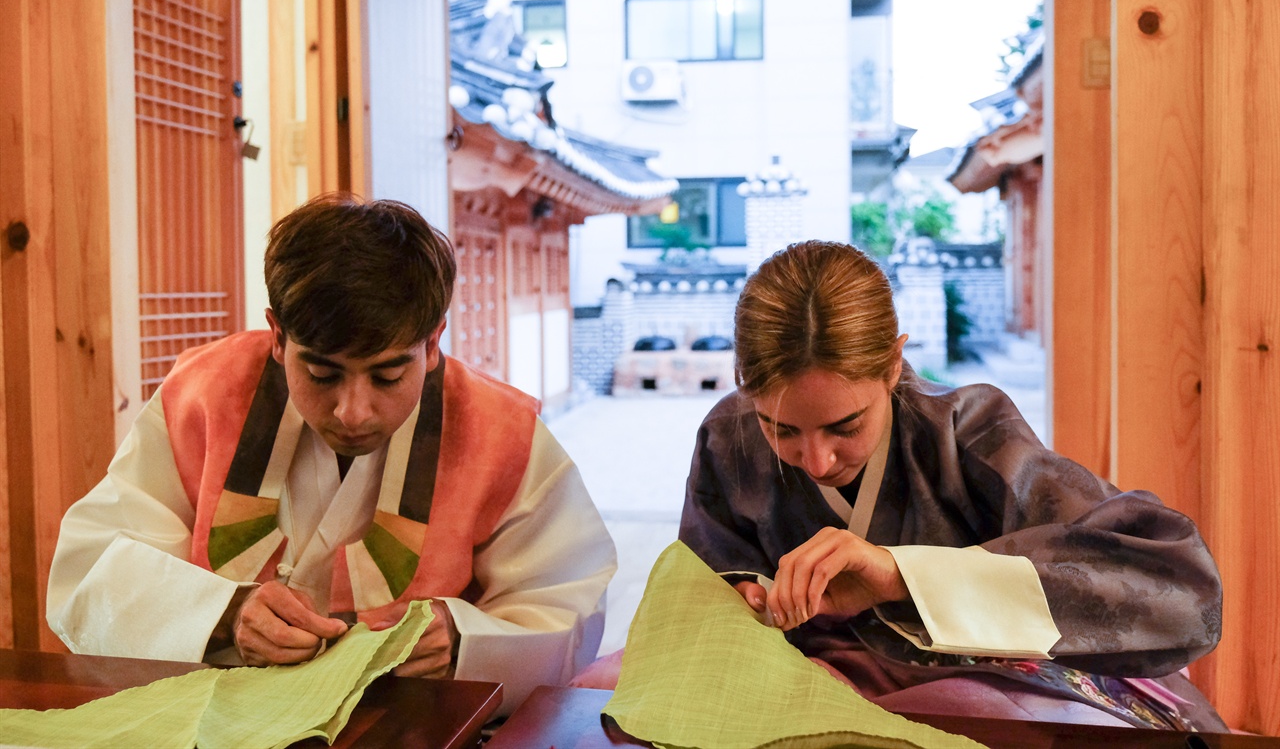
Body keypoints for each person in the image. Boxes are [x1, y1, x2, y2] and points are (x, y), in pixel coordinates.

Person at [47, 195, 616, 714]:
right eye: (322, 372)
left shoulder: (498, 432)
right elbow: (94, 565)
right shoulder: (203, 397)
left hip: (412, 722)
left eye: (389, 374)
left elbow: (566, 600)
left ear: (433, 343)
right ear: (277, 336)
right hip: (219, 715)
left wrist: (465, 639)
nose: (353, 412)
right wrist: (221, 615)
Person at [678, 240, 1226, 731]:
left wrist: (901, 577)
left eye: (845, 426)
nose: (817, 461)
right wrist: (741, 598)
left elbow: (1183, 590)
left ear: (893, 364)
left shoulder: (968, 429)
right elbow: (709, 574)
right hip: (805, 686)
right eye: (783, 430)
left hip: (991, 687)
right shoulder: (731, 438)